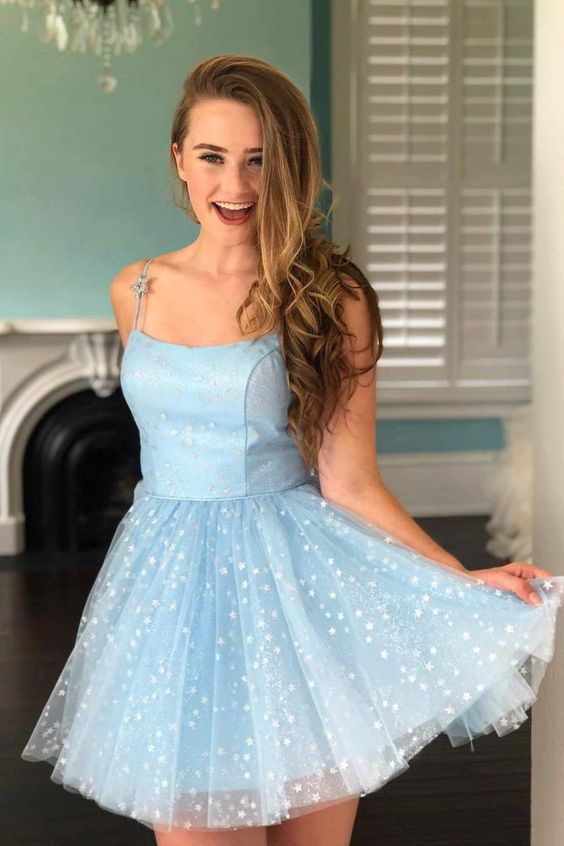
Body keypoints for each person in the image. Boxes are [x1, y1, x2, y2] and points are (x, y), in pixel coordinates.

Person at [21, 54, 564, 846]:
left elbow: (351, 482)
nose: (235, 184)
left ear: (291, 167)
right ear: (179, 159)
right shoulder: (134, 289)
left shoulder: (330, 297)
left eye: (259, 159)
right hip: (169, 586)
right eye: (213, 156)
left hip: (295, 588)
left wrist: (460, 577)